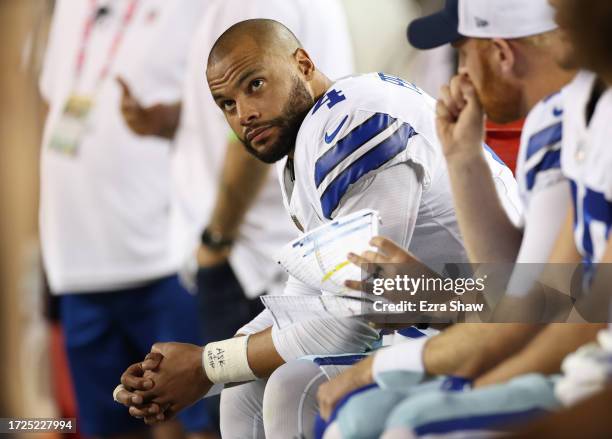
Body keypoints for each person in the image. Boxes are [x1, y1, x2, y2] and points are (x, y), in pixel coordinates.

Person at [113, 18, 520, 438]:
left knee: (292, 386)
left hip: (492, 315)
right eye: (227, 105)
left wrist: (207, 365)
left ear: (303, 64)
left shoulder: (352, 126)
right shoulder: (313, 136)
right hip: (443, 313)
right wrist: (203, 366)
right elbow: (306, 300)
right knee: (245, 388)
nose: (245, 114)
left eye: (254, 85)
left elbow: (354, 318)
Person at [314, 0, 607, 437]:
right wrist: (462, 158)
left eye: (462, 51)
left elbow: (543, 310)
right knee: (350, 410)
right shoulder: (571, 107)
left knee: (394, 422)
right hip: (547, 340)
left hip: (575, 359)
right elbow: (525, 293)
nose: (458, 75)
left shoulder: (561, 117)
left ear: (502, 53)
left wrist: (436, 303)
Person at [39, 1, 216, 437]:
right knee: (106, 427)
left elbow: (222, 111)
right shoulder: (68, 8)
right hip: (78, 264)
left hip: (165, 259)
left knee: (198, 421)